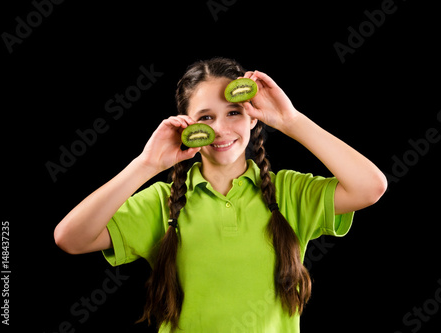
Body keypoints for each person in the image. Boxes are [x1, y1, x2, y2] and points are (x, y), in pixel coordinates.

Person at [54, 57, 387, 332]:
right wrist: (145, 165)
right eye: (206, 118)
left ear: (252, 118)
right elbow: (71, 238)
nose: (221, 129)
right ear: (188, 127)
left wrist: (290, 120)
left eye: (233, 113)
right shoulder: (162, 201)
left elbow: (370, 187)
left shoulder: (289, 192)